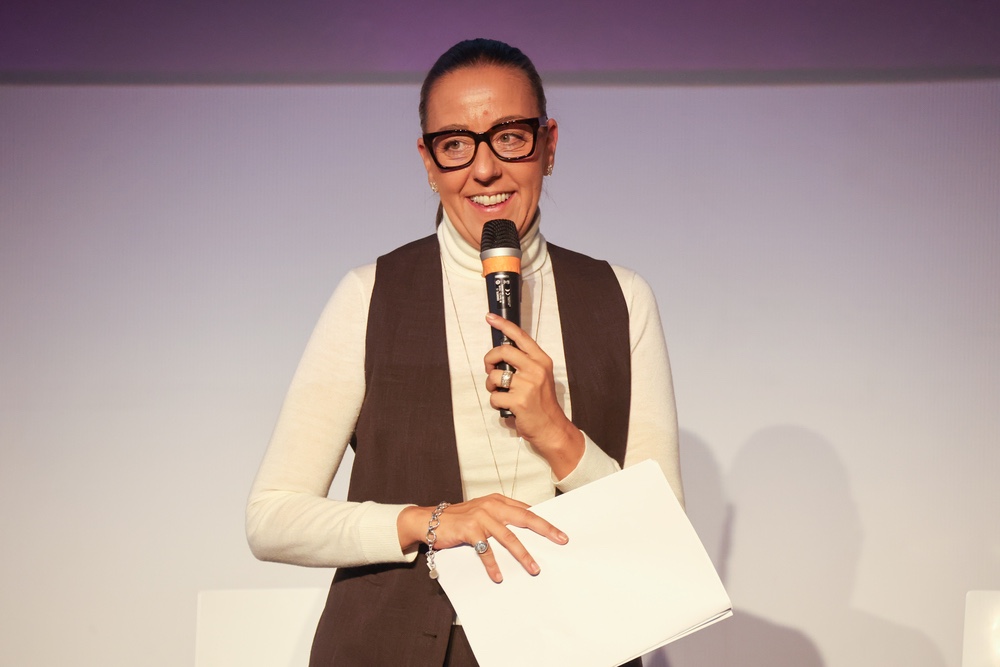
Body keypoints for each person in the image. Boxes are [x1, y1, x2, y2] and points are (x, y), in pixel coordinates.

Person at [246, 38, 684, 667]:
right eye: (455, 145)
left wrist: (558, 433)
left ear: (549, 145)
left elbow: (662, 533)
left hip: (574, 643)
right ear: (428, 162)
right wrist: (431, 522)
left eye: (509, 137)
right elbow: (272, 518)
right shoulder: (371, 295)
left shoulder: (620, 297)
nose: (484, 170)